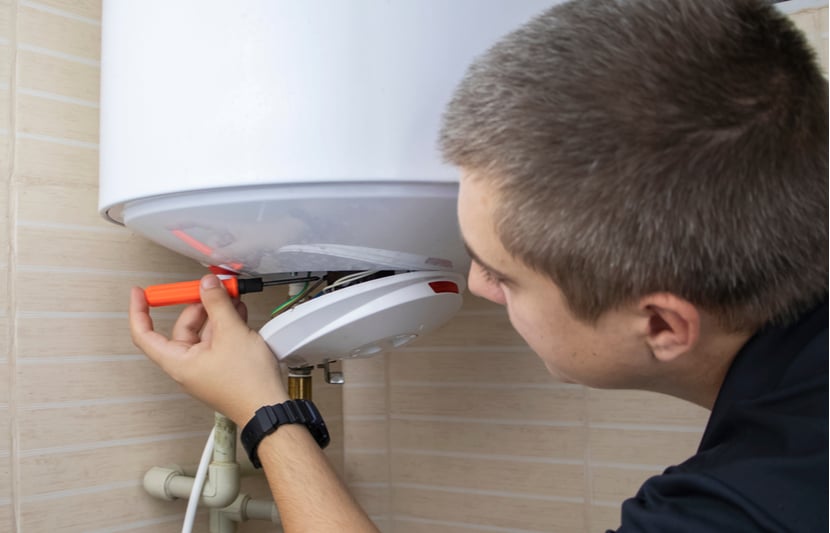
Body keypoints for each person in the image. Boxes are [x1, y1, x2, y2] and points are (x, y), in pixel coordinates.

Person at [129, 0, 828, 531]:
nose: (475, 285)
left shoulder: (748, 504)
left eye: (505, 273)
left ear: (662, 323)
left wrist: (263, 409)